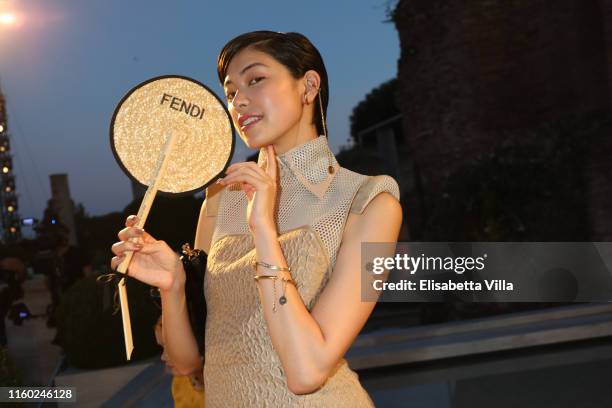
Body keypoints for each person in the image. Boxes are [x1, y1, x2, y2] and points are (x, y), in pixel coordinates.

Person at [111, 31, 403, 406]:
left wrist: (263, 229)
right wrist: (174, 286)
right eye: (230, 92)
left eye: (255, 80)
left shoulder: (369, 201)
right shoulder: (220, 199)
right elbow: (189, 363)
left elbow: (307, 373)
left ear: (308, 85)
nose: (238, 101)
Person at [154, 316, 205, 407]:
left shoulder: (223, 383)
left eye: (170, 347)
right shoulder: (178, 384)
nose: (163, 357)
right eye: (162, 347)